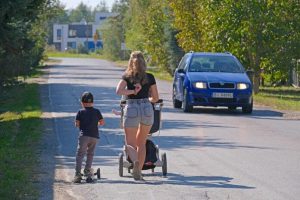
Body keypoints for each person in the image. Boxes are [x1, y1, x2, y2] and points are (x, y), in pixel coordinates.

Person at [116, 51, 159, 180]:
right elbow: (156, 98)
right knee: (141, 143)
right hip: (146, 108)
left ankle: (134, 161)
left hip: (132, 108)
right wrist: (147, 100)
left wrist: (132, 92)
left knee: (130, 143)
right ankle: (138, 171)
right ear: (143, 62)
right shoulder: (150, 77)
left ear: (130, 62)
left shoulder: (127, 76)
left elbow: (118, 91)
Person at [73, 91, 105, 183]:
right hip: (94, 136)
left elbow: (77, 124)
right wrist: (96, 123)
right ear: (93, 102)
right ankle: (87, 173)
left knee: (80, 155)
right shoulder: (97, 111)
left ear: (82, 102)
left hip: (84, 136)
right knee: (90, 154)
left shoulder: (80, 112)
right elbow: (102, 122)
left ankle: (78, 174)